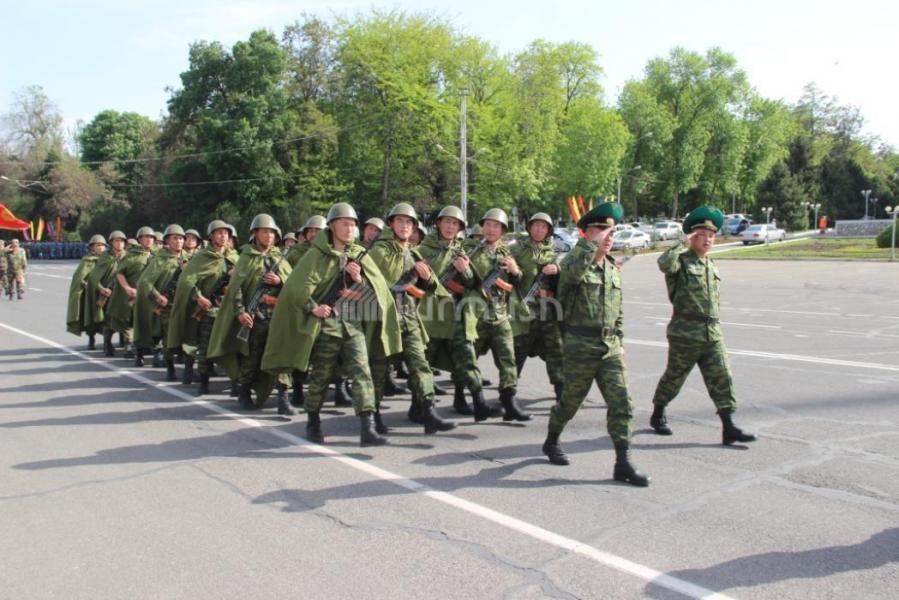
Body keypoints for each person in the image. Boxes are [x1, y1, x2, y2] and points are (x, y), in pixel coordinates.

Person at [261, 202, 402, 446]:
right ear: (332, 226)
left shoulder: (359, 254)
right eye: (344, 224)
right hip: (327, 325)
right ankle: (313, 419)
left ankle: (367, 427)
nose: (349, 229)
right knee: (322, 375)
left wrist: (358, 278)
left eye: (353, 224)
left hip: (353, 323)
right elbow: (295, 288)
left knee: (362, 372)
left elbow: (374, 293)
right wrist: (313, 307)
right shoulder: (316, 255)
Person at [541, 202, 649, 487]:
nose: (607, 236)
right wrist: (591, 244)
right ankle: (551, 440)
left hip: (609, 347)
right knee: (570, 403)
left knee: (622, 402)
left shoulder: (612, 269)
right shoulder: (573, 262)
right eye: (601, 229)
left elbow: (617, 309)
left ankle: (622, 462)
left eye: (611, 231)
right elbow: (572, 275)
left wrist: (620, 340)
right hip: (580, 346)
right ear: (586, 233)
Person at [649, 205, 757, 446]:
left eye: (711, 235)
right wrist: (681, 243)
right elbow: (664, 263)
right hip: (685, 333)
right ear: (692, 237)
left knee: (722, 377)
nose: (708, 239)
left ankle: (729, 427)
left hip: (712, 332)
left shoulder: (710, 264)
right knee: (674, 377)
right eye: (702, 235)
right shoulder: (681, 261)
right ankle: (658, 412)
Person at [367, 203, 456, 435]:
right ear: (391, 224)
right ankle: (373, 416)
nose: (405, 226)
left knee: (420, 365)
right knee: (379, 369)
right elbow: (378, 282)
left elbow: (430, 286)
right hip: (384, 319)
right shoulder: (379, 251)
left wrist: (424, 276)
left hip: (408, 317)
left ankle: (428, 412)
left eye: (409, 222)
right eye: (400, 221)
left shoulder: (414, 253)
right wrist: (411, 271)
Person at [207, 214, 293, 413]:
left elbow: (293, 286)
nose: (269, 236)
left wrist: (279, 281)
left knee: (282, 355)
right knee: (252, 357)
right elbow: (235, 288)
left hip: (278, 316)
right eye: (264, 232)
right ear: (255, 233)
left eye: (272, 232)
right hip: (255, 317)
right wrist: (240, 312)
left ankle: (283, 398)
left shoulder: (279, 258)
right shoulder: (246, 258)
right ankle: (244, 391)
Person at [417, 205, 494, 417]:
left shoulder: (461, 251)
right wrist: (426, 278)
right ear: (438, 223)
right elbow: (412, 284)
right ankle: (419, 406)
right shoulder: (423, 250)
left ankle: (478, 402)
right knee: (423, 363)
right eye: (447, 222)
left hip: (454, 314)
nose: (450, 227)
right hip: (429, 315)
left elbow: (472, 284)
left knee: (466, 357)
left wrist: (465, 270)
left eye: (455, 223)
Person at [467, 208, 530, 421]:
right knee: (469, 359)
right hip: (476, 315)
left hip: (500, 314)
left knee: (508, 359)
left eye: (496, 226)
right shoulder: (471, 251)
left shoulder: (508, 253)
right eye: (488, 225)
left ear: (502, 230)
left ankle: (509, 401)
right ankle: (466, 398)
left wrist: (515, 270)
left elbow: (518, 281)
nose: (491, 229)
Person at [166, 220, 238, 392]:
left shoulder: (234, 257)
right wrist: (198, 297)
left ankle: (236, 382)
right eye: (219, 233)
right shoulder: (202, 257)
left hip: (230, 309)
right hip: (209, 309)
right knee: (205, 347)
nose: (223, 236)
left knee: (232, 347)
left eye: (225, 233)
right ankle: (204, 381)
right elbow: (187, 281)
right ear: (211, 236)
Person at [511, 213, 564, 402]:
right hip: (523, 310)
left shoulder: (554, 252)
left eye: (543, 227)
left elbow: (565, 278)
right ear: (529, 227)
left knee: (555, 350)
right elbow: (508, 277)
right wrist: (514, 270)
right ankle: (508, 393)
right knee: (518, 352)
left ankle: (561, 390)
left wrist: (557, 270)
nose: (539, 230)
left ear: (548, 231)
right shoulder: (517, 249)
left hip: (548, 311)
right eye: (536, 225)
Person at [133, 225, 186, 376]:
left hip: (185, 305)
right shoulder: (159, 260)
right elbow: (144, 282)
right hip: (167, 306)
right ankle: (170, 368)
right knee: (169, 338)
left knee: (190, 337)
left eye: (181, 238)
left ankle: (189, 369)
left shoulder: (189, 259)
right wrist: (158, 297)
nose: (178, 241)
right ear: (167, 241)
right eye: (175, 238)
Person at [106, 227, 155, 359]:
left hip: (149, 295)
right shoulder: (131, 255)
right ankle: (129, 344)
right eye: (146, 237)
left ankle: (146, 345)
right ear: (140, 239)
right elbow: (120, 273)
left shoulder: (156, 255)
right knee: (130, 320)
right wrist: (127, 288)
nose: (149, 240)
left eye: (151, 237)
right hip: (132, 294)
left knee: (147, 320)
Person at [85, 231, 128, 355]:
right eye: (116, 241)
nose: (119, 243)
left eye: (122, 241)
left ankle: (127, 344)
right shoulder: (105, 257)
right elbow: (94, 276)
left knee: (125, 319)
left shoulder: (128, 257)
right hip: (108, 294)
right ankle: (107, 343)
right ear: (111, 243)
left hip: (123, 294)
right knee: (108, 321)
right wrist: (101, 289)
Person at [66, 234, 107, 348]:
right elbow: (80, 277)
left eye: (102, 245)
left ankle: (107, 341)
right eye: (97, 245)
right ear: (92, 247)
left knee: (107, 318)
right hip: (90, 294)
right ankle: (91, 337)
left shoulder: (108, 260)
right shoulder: (87, 261)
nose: (100, 247)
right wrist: (87, 285)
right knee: (90, 316)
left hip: (106, 293)